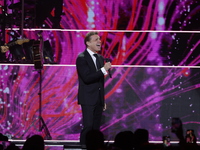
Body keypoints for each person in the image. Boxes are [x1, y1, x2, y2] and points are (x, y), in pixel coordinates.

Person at [76, 31, 111, 145]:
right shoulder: (82, 58)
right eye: (96, 40)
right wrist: (103, 69)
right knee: (88, 127)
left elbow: (100, 81)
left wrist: (102, 99)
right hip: (88, 98)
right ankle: (83, 147)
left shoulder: (100, 58)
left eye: (99, 39)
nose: (99, 41)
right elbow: (86, 78)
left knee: (96, 128)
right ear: (88, 43)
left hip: (98, 99)